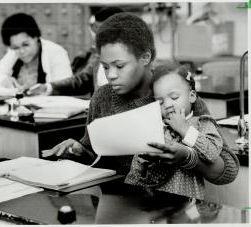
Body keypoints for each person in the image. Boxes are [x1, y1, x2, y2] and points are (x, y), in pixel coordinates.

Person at [42, 13, 238, 187]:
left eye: (119, 66)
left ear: (145, 57)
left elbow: (226, 171)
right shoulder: (102, 97)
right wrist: (79, 151)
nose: (111, 75)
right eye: (105, 67)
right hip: (114, 207)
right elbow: (97, 157)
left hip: (171, 210)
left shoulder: (176, 97)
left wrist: (185, 157)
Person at [125, 63, 223, 200]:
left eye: (175, 97)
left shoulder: (202, 123)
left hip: (189, 207)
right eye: (160, 102)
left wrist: (184, 129)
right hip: (155, 207)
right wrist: (143, 164)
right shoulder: (154, 128)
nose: (168, 105)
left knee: (191, 219)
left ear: (192, 96)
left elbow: (212, 154)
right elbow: (134, 178)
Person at [26, 7, 124, 96]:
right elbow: (82, 80)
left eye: (100, 33)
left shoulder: (133, 59)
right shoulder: (100, 55)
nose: (94, 38)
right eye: (93, 32)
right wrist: (48, 87)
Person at [0, 13, 72, 91]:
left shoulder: (56, 53)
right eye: (16, 47)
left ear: (36, 37)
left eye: (26, 45)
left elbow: (64, 87)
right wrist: (4, 81)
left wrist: (43, 90)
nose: (21, 51)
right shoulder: (13, 53)